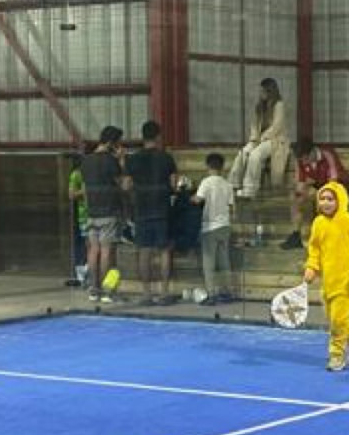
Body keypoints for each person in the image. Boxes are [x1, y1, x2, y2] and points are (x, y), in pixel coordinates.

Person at [302, 180, 349, 372]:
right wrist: (311, 267)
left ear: (340, 200)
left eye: (330, 199)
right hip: (328, 282)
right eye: (322, 199)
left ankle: (336, 356)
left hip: (347, 282)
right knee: (335, 318)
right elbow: (314, 249)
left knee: (337, 321)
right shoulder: (318, 223)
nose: (325, 203)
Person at [125, 119, 181, 304]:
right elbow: (174, 184)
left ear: (142, 136)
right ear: (158, 136)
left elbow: (126, 185)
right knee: (164, 251)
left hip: (141, 209)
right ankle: (164, 292)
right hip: (162, 209)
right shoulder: (166, 158)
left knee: (144, 251)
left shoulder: (133, 159)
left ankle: (146, 293)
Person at [81, 126, 127, 304]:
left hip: (92, 211)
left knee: (93, 250)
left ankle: (94, 290)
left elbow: (84, 188)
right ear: (112, 143)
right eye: (118, 142)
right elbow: (123, 185)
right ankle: (107, 291)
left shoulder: (86, 161)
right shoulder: (111, 161)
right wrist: (121, 160)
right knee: (107, 250)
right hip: (109, 210)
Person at [286, 137, 349, 249]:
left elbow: (333, 182)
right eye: (301, 159)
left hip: (337, 187)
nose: (304, 162)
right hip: (316, 186)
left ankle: (328, 236)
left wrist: (314, 183)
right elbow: (300, 181)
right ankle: (296, 235)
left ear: (312, 152)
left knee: (323, 199)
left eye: (305, 158)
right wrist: (299, 191)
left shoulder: (327, 155)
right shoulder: (300, 160)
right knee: (296, 199)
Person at [233, 78, 290, 200]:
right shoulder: (259, 106)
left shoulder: (279, 105)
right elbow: (254, 125)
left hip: (275, 140)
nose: (260, 93)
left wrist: (263, 137)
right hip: (259, 139)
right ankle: (233, 184)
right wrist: (254, 138)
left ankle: (250, 189)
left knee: (255, 155)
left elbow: (277, 126)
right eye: (260, 91)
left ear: (270, 91)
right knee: (243, 153)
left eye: (263, 91)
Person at [194, 152, 237, 304]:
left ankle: (211, 294)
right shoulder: (227, 185)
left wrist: (188, 197)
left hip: (210, 226)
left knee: (209, 263)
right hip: (224, 226)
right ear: (222, 167)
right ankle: (228, 291)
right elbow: (231, 207)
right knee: (225, 261)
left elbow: (198, 200)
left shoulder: (206, 182)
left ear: (208, 166)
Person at [66, 149, 90, 288]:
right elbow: (71, 195)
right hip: (83, 215)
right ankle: (83, 275)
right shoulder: (76, 175)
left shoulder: (90, 172)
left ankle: (88, 273)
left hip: (93, 213)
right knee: (87, 244)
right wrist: (85, 191)